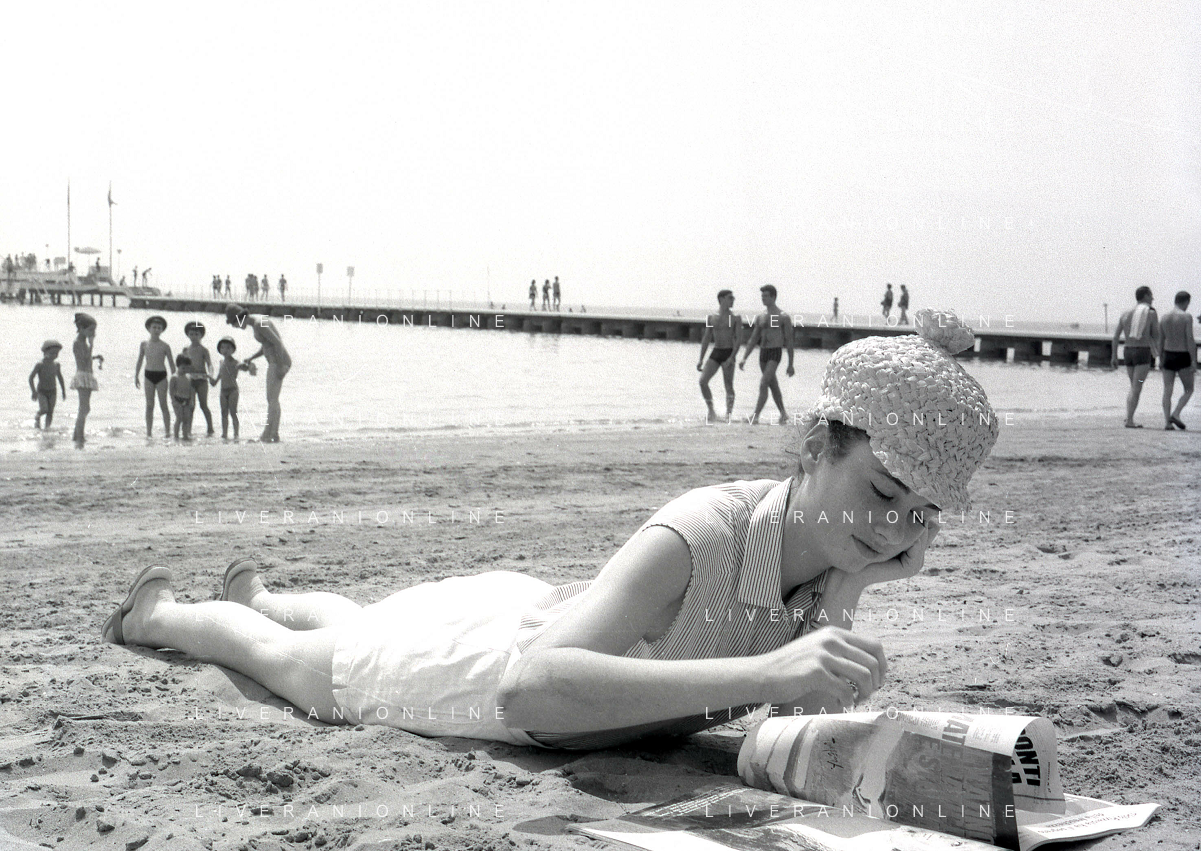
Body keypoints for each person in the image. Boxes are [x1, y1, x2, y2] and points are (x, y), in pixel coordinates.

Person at [101, 308, 997, 752]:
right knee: (284, 661)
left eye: (921, 515)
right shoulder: (704, 532)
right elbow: (529, 691)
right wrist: (767, 672)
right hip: (472, 671)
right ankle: (161, 614)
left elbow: (794, 730)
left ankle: (264, 591)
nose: (894, 528)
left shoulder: (831, 560)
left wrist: (859, 579)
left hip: (542, 615)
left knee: (360, 622)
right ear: (814, 448)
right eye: (883, 492)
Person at [225, 303, 292, 442]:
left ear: (240, 318)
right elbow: (267, 345)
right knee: (272, 399)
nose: (235, 327)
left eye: (234, 323)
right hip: (276, 361)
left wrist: (280, 366)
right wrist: (251, 358)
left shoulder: (258, 324)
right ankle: (273, 433)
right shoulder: (257, 322)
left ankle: (268, 434)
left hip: (278, 361)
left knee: (272, 399)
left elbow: (278, 343)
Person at [739, 284, 795, 425]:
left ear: (773, 297)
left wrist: (790, 364)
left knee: (764, 382)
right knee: (772, 385)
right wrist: (744, 358)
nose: (763, 298)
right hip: (763, 353)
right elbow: (753, 339)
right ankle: (783, 414)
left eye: (766, 296)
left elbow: (789, 341)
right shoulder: (761, 317)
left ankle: (755, 416)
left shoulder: (783, 317)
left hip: (775, 352)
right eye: (762, 296)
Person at [1110, 286, 1161, 428]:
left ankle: (1129, 417)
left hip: (1128, 352)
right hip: (1142, 352)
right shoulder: (1150, 313)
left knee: (1133, 386)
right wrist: (1160, 353)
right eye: (1151, 295)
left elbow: (1115, 337)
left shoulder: (1125, 314)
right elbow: (1156, 335)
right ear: (1145, 296)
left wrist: (1114, 356)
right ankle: (1130, 420)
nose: (1152, 299)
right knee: (1137, 387)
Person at [696, 289, 742, 423]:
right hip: (716, 352)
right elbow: (706, 338)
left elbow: (739, 339)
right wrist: (701, 359)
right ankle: (711, 410)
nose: (733, 300)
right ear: (721, 299)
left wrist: (732, 357)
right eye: (730, 298)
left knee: (728, 385)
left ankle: (728, 415)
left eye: (733, 298)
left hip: (728, 352)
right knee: (702, 381)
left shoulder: (735, 317)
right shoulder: (711, 317)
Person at [1159, 291, 1195, 431]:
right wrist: (1193, 360)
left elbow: (1161, 340)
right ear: (1186, 301)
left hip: (1168, 355)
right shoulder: (1186, 317)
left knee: (1167, 390)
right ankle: (1176, 413)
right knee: (1189, 389)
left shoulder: (1164, 317)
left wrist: (1160, 358)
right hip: (1182, 355)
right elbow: (1189, 339)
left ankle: (1167, 423)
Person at [135, 316, 174, 438]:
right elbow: (140, 360)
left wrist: (175, 379)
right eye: (154, 327)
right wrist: (136, 375)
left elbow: (171, 364)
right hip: (148, 375)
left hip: (161, 376)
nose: (156, 330)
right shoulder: (144, 344)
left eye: (159, 328)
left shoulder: (165, 346)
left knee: (163, 404)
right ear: (149, 328)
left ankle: (167, 432)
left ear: (162, 330)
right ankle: (149, 433)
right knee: (149, 405)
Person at [68, 312, 103, 445]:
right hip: (82, 376)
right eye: (91, 330)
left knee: (85, 408)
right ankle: (79, 436)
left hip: (86, 374)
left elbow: (86, 358)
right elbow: (83, 360)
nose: (93, 333)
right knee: (83, 408)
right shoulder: (78, 342)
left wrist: (95, 357)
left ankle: (76, 434)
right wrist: (92, 345)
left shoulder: (82, 342)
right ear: (81, 328)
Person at [209, 336, 251, 440]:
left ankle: (236, 434)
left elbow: (244, 368)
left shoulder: (236, 362)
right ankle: (224, 434)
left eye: (228, 348)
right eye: (223, 348)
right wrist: (210, 378)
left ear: (233, 350)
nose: (225, 350)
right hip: (223, 391)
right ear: (220, 349)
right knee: (223, 413)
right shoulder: (221, 362)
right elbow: (219, 377)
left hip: (233, 390)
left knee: (233, 412)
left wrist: (246, 366)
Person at [183, 321, 216, 436]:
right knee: (190, 406)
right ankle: (188, 430)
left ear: (201, 335)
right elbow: (182, 365)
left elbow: (209, 364)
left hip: (202, 380)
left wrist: (211, 375)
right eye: (191, 334)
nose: (194, 337)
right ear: (188, 335)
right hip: (190, 380)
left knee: (203, 405)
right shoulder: (186, 350)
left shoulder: (204, 350)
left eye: (196, 334)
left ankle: (210, 429)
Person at [29, 340, 66, 429]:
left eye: (57, 353)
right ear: (45, 352)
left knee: (50, 412)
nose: (55, 355)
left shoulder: (56, 365)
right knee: (44, 409)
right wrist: (33, 391)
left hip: (53, 391)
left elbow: (60, 378)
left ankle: (47, 428)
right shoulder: (40, 364)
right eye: (52, 353)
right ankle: (37, 416)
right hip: (42, 391)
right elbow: (31, 378)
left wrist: (63, 391)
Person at [169, 355, 196, 440]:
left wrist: (192, 400)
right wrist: (173, 401)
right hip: (178, 400)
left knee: (186, 419)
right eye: (183, 368)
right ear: (178, 366)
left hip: (187, 400)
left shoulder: (188, 377)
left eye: (187, 368)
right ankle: (176, 436)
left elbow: (191, 390)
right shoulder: (174, 377)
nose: (185, 370)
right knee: (179, 418)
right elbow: (171, 391)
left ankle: (185, 436)